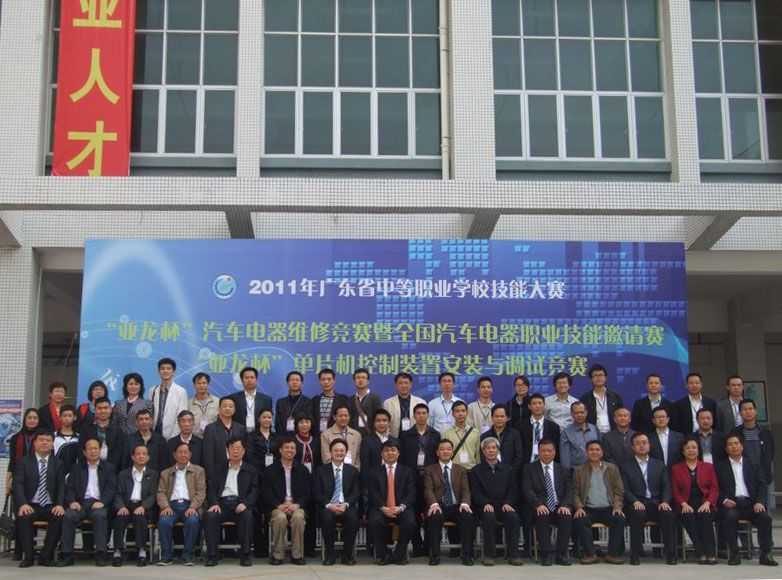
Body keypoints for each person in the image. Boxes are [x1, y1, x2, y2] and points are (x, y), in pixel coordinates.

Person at [716, 432, 777, 566]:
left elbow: (762, 485)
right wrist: (724, 500)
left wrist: (760, 501)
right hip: (732, 504)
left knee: (765, 518)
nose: (734, 447)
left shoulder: (753, 464)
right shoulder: (720, 466)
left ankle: (765, 554)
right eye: (730, 444)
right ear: (726, 449)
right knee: (729, 517)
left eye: (736, 443)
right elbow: (715, 488)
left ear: (742, 446)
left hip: (751, 504)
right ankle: (734, 554)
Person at [59, 436, 116, 567]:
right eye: (90, 449)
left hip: (98, 503)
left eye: (96, 448)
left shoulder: (109, 468)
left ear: (100, 450)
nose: (93, 451)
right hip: (80, 504)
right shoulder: (76, 468)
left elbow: (111, 488)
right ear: (84, 452)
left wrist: (103, 502)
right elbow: (70, 488)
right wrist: (72, 501)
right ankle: (67, 555)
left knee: (100, 516)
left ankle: (101, 554)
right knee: (68, 516)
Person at [621, 432, 677, 565]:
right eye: (638, 443)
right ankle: (635, 555)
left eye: (644, 443)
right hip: (636, 503)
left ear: (649, 445)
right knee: (637, 513)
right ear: (632, 447)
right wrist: (634, 501)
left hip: (656, 503)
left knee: (668, 514)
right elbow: (624, 489)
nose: (641, 446)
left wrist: (665, 501)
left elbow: (667, 486)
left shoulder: (659, 465)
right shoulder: (625, 466)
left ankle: (671, 554)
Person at [13, 430, 65, 568]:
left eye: (48, 440)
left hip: (49, 505)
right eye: (41, 440)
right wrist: (23, 504)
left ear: (52, 444)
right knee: (24, 516)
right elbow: (18, 484)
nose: (44, 443)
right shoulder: (23, 462)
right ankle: (28, 557)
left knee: (59, 516)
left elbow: (61, 486)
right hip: (30, 504)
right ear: (34, 443)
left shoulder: (58, 463)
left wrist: (59, 504)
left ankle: (45, 556)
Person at [204, 436, 258, 567]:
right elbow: (211, 489)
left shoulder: (250, 470)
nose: (235, 451)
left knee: (247, 515)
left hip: (240, 503)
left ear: (244, 451)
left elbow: (255, 490)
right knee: (210, 516)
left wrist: (245, 503)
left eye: (238, 448)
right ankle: (212, 555)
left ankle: (245, 555)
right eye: (232, 448)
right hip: (222, 504)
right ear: (227, 450)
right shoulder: (219, 469)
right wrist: (214, 503)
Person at [469, 437, 523, 566]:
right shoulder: (476, 470)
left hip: (504, 505)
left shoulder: (508, 469)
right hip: (485, 507)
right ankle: (489, 555)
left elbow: (513, 490)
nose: (491, 450)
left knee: (513, 517)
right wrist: (485, 503)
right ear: (483, 451)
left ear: (498, 450)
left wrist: (508, 502)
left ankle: (513, 555)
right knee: (488, 517)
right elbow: (475, 492)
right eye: (488, 448)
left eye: (494, 448)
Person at [572, 440, 625, 565]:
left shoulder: (612, 468)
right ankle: (590, 554)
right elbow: (575, 492)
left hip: (609, 508)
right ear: (586, 452)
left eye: (597, 449)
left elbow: (619, 490)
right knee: (580, 519)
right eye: (591, 449)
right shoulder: (579, 470)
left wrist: (617, 506)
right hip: (588, 508)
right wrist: (579, 507)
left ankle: (612, 554)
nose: (594, 452)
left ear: (602, 452)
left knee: (619, 519)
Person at [423, 439, 475, 566]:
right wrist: (433, 504)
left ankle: (467, 555)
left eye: (448, 449)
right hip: (439, 505)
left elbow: (466, 490)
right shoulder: (430, 470)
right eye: (442, 449)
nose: (445, 451)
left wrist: (465, 503)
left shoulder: (461, 470)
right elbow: (428, 489)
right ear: (437, 452)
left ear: (452, 452)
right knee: (434, 516)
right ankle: (435, 555)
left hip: (457, 505)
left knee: (467, 517)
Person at [522, 439, 573, 566]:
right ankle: (546, 555)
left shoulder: (562, 469)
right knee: (542, 515)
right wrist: (538, 504)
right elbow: (527, 489)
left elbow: (569, 490)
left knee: (566, 516)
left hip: (558, 505)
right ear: (538, 452)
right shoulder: (529, 468)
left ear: (554, 452)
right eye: (543, 451)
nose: (546, 453)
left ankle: (561, 555)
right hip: (540, 506)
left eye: (549, 451)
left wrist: (564, 505)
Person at [262, 436, 312, 565]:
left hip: (296, 506)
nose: (290, 450)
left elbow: (307, 493)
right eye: (286, 447)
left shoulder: (303, 470)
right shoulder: (270, 470)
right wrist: (278, 505)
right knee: (280, 518)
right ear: (280, 450)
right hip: (278, 506)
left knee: (298, 517)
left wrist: (297, 505)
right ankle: (278, 555)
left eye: (292, 448)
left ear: (295, 451)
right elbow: (266, 493)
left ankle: (297, 555)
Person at [366, 440, 417, 565]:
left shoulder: (407, 471)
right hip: (381, 508)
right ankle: (382, 555)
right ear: (381, 454)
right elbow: (372, 493)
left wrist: (401, 507)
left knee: (410, 522)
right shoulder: (374, 472)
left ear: (398, 453)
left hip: (401, 508)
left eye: (393, 450)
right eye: (386, 450)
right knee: (375, 521)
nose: (390, 453)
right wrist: (383, 508)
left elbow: (411, 493)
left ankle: (399, 553)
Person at [400, 402, 440, 556]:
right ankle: (417, 545)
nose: (421, 416)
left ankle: (429, 545)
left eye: (424, 413)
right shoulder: (406, 435)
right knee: (414, 512)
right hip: (412, 477)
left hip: (430, 478)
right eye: (418, 413)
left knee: (430, 511)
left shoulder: (435, 434)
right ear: (414, 416)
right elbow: (402, 458)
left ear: (428, 415)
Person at [156, 441, 205, 566]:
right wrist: (165, 506)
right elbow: (161, 492)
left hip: (190, 505)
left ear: (190, 454)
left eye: (185, 452)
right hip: (171, 506)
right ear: (174, 455)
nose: (183, 455)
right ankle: (166, 556)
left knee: (193, 521)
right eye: (180, 452)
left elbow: (201, 492)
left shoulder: (199, 471)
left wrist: (193, 507)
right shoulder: (166, 473)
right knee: (164, 522)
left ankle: (188, 556)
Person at [671, 437, 718, 564]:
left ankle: (711, 553)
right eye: (687, 448)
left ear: (698, 450)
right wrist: (683, 503)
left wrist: (708, 503)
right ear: (683, 451)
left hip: (704, 502)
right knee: (689, 516)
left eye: (694, 447)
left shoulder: (708, 467)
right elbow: (675, 490)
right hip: (685, 503)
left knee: (706, 516)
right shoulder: (676, 468)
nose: (691, 450)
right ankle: (700, 551)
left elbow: (714, 488)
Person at [314, 439, 361, 565]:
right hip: (328, 506)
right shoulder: (321, 471)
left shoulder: (353, 471)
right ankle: (330, 555)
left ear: (346, 452)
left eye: (342, 450)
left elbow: (356, 492)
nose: (339, 453)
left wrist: (346, 504)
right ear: (330, 452)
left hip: (346, 505)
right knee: (327, 518)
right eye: (336, 450)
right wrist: (330, 505)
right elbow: (317, 493)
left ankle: (347, 555)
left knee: (353, 518)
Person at [112, 444, 159, 567]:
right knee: (119, 518)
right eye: (138, 454)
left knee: (140, 518)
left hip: (143, 506)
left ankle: (141, 551)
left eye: (144, 454)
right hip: (126, 505)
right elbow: (118, 494)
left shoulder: (153, 474)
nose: (141, 456)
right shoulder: (123, 474)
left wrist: (143, 506)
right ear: (133, 457)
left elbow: (153, 495)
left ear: (148, 457)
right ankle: (117, 551)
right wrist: (121, 506)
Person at [734, 398, 775, 495]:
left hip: (763, 476)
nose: (748, 412)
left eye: (750, 409)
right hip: (742, 476)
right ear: (740, 413)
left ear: (755, 411)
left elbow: (771, 453)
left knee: (764, 502)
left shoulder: (765, 433)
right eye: (744, 409)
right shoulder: (735, 433)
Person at [80, 397, 129, 472]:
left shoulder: (118, 431)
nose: (103, 411)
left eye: (106, 408)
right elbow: (81, 452)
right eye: (99, 408)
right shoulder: (86, 429)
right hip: (89, 470)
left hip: (112, 471)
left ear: (111, 410)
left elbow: (121, 455)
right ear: (95, 410)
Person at [202, 396, 245, 476]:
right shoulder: (210, 429)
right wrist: (211, 477)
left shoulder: (240, 428)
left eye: (230, 406)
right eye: (224, 406)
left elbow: (244, 452)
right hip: (217, 472)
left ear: (235, 409)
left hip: (238, 471)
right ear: (219, 409)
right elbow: (208, 456)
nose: (227, 408)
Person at [150, 358, 189, 440]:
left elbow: (182, 417)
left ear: (173, 372)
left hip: (172, 435)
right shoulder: (153, 390)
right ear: (158, 371)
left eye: (168, 368)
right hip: (154, 434)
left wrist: (173, 438)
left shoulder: (181, 391)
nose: (165, 371)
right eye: (162, 368)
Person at [580, 364, 624, 435]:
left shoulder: (615, 397)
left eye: (601, 375)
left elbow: (621, 415)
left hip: (613, 433)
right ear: (591, 379)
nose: (598, 378)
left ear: (605, 378)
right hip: (593, 434)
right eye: (595, 375)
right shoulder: (585, 398)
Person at [6, 408, 40, 496]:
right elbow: (12, 461)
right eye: (29, 417)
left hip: (38, 478)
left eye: (35, 418)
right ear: (25, 419)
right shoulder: (15, 438)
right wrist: (8, 482)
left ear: (39, 420)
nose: (32, 420)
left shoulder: (43, 438)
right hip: (19, 478)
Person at [229, 366, 273, 433]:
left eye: (252, 377)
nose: (249, 380)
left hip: (259, 434)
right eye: (246, 378)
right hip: (239, 434)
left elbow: (268, 420)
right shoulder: (233, 398)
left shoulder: (266, 399)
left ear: (256, 380)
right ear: (242, 380)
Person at [383, 371, 426, 438]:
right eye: (400, 383)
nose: (403, 386)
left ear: (411, 385)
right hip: (395, 439)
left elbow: (425, 423)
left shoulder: (421, 402)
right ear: (396, 385)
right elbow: (384, 424)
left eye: (406, 383)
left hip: (415, 439)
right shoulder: (388, 403)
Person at [520, 393, 560, 464]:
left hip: (547, 464)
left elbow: (556, 450)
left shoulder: (553, 427)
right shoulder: (520, 426)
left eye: (540, 403)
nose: (537, 406)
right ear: (529, 406)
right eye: (534, 403)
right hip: (526, 464)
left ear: (544, 405)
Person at [559, 401, 599, 470]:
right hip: (577, 471)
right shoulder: (566, 432)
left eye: (582, 412)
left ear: (586, 413)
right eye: (576, 413)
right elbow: (565, 458)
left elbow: (600, 450)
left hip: (595, 469)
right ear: (572, 414)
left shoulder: (594, 429)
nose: (579, 415)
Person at [127, 408, 169, 473]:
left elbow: (164, 464)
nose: (144, 422)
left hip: (155, 477)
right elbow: (126, 462)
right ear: (136, 422)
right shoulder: (129, 440)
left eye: (147, 419)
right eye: (141, 419)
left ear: (151, 421)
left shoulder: (160, 440)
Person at [320, 404, 362, 468]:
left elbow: (357, 460)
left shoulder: (357, 435)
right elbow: (326, 459)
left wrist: (354, 471)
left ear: (349, 417)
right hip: (334, 471)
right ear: (334, 417)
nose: (343, 418)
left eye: (346, 416)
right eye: (340, 416)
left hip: (352, 472)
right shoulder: (325, 435)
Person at [311, 368, 349, 437]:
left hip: (337, 436)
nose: (326, 382)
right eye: (323, 379)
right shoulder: (315, 400)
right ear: (319, 381)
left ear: (334, 381)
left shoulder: (343, 399)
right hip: (317, 436)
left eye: (329, 379)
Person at [442, 401, 480, 470]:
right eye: (457, 411)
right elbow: (444, 456)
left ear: (467, 413)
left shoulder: (475, 433)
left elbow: (478, 455)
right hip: (454, 471)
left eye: (463, 411)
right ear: (453, 414)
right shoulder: (446, 434)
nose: (460, 414)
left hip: (471, 470)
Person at [347, 368, 382, 435]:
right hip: (354, 435)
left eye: (363, 377)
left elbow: (379, 418)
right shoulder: (350, 400)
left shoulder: (375, 398)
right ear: (354, 381)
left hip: (371, 435)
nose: (360, 380)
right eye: (358, 378)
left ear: (368, 381)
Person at [189, 372, 219, 437]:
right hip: (194, 438)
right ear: (194, 385)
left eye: (204, 383)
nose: (201, 385)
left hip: (213, 438)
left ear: (208, 384)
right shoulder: (188, 403)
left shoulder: (217, 402)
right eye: (198, 383)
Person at [248, 408, 278, 473]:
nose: (267, 420)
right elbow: (250, 456)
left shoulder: (276, 437)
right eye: (264, 417)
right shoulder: (251, 436)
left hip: (273, 470)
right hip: (256, 470)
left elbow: (278, 455)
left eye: (269, 418)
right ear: (259, 419)